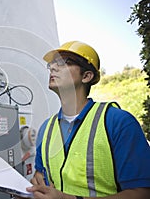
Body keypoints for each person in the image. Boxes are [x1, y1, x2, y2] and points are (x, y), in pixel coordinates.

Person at [26, 41, 150, 199]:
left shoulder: (118, 122)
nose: (53, 67)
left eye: (65, 62)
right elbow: (40, 174)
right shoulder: (46, 128)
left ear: (86, 76)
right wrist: (37, 187)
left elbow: (143, 193)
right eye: (52, 64)